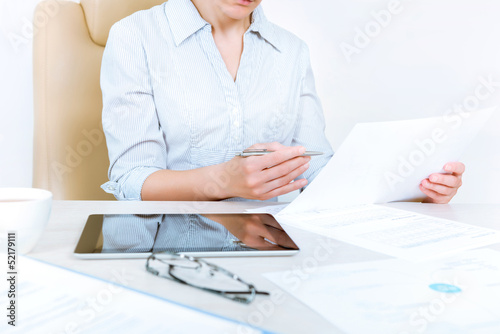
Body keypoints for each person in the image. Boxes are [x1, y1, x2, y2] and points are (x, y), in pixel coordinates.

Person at [101, 0, 464, 205]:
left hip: (274, 244)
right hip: (171, 246)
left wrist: (416, 190)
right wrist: (222, 179)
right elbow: (131, 179)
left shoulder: (292, 51)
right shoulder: (135, 37)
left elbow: (317, 174)